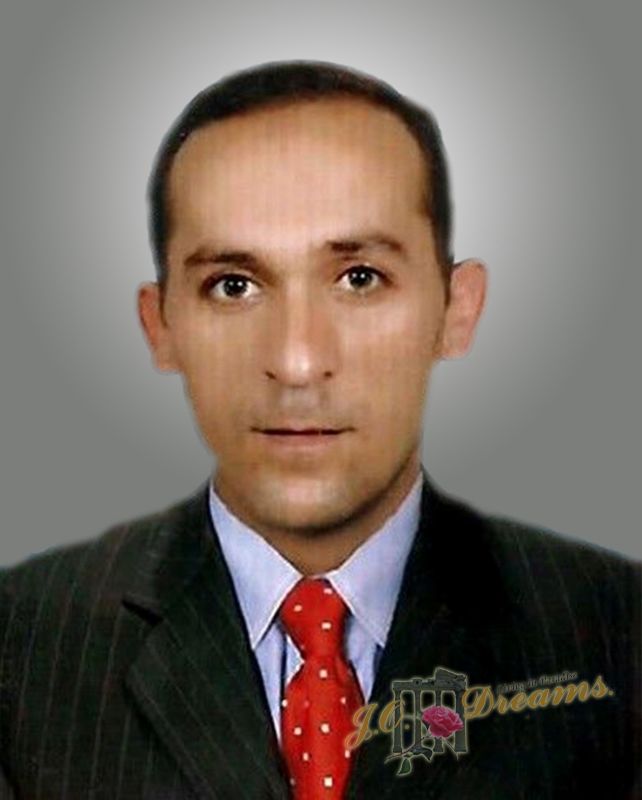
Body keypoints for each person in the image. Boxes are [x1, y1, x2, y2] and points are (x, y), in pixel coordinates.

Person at [0, 60, 639, 800]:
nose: (298, 362)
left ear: (456, 310)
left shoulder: (618, 633)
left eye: (359, 278)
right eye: (233, 286)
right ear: (161, 325)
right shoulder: (19, 648)